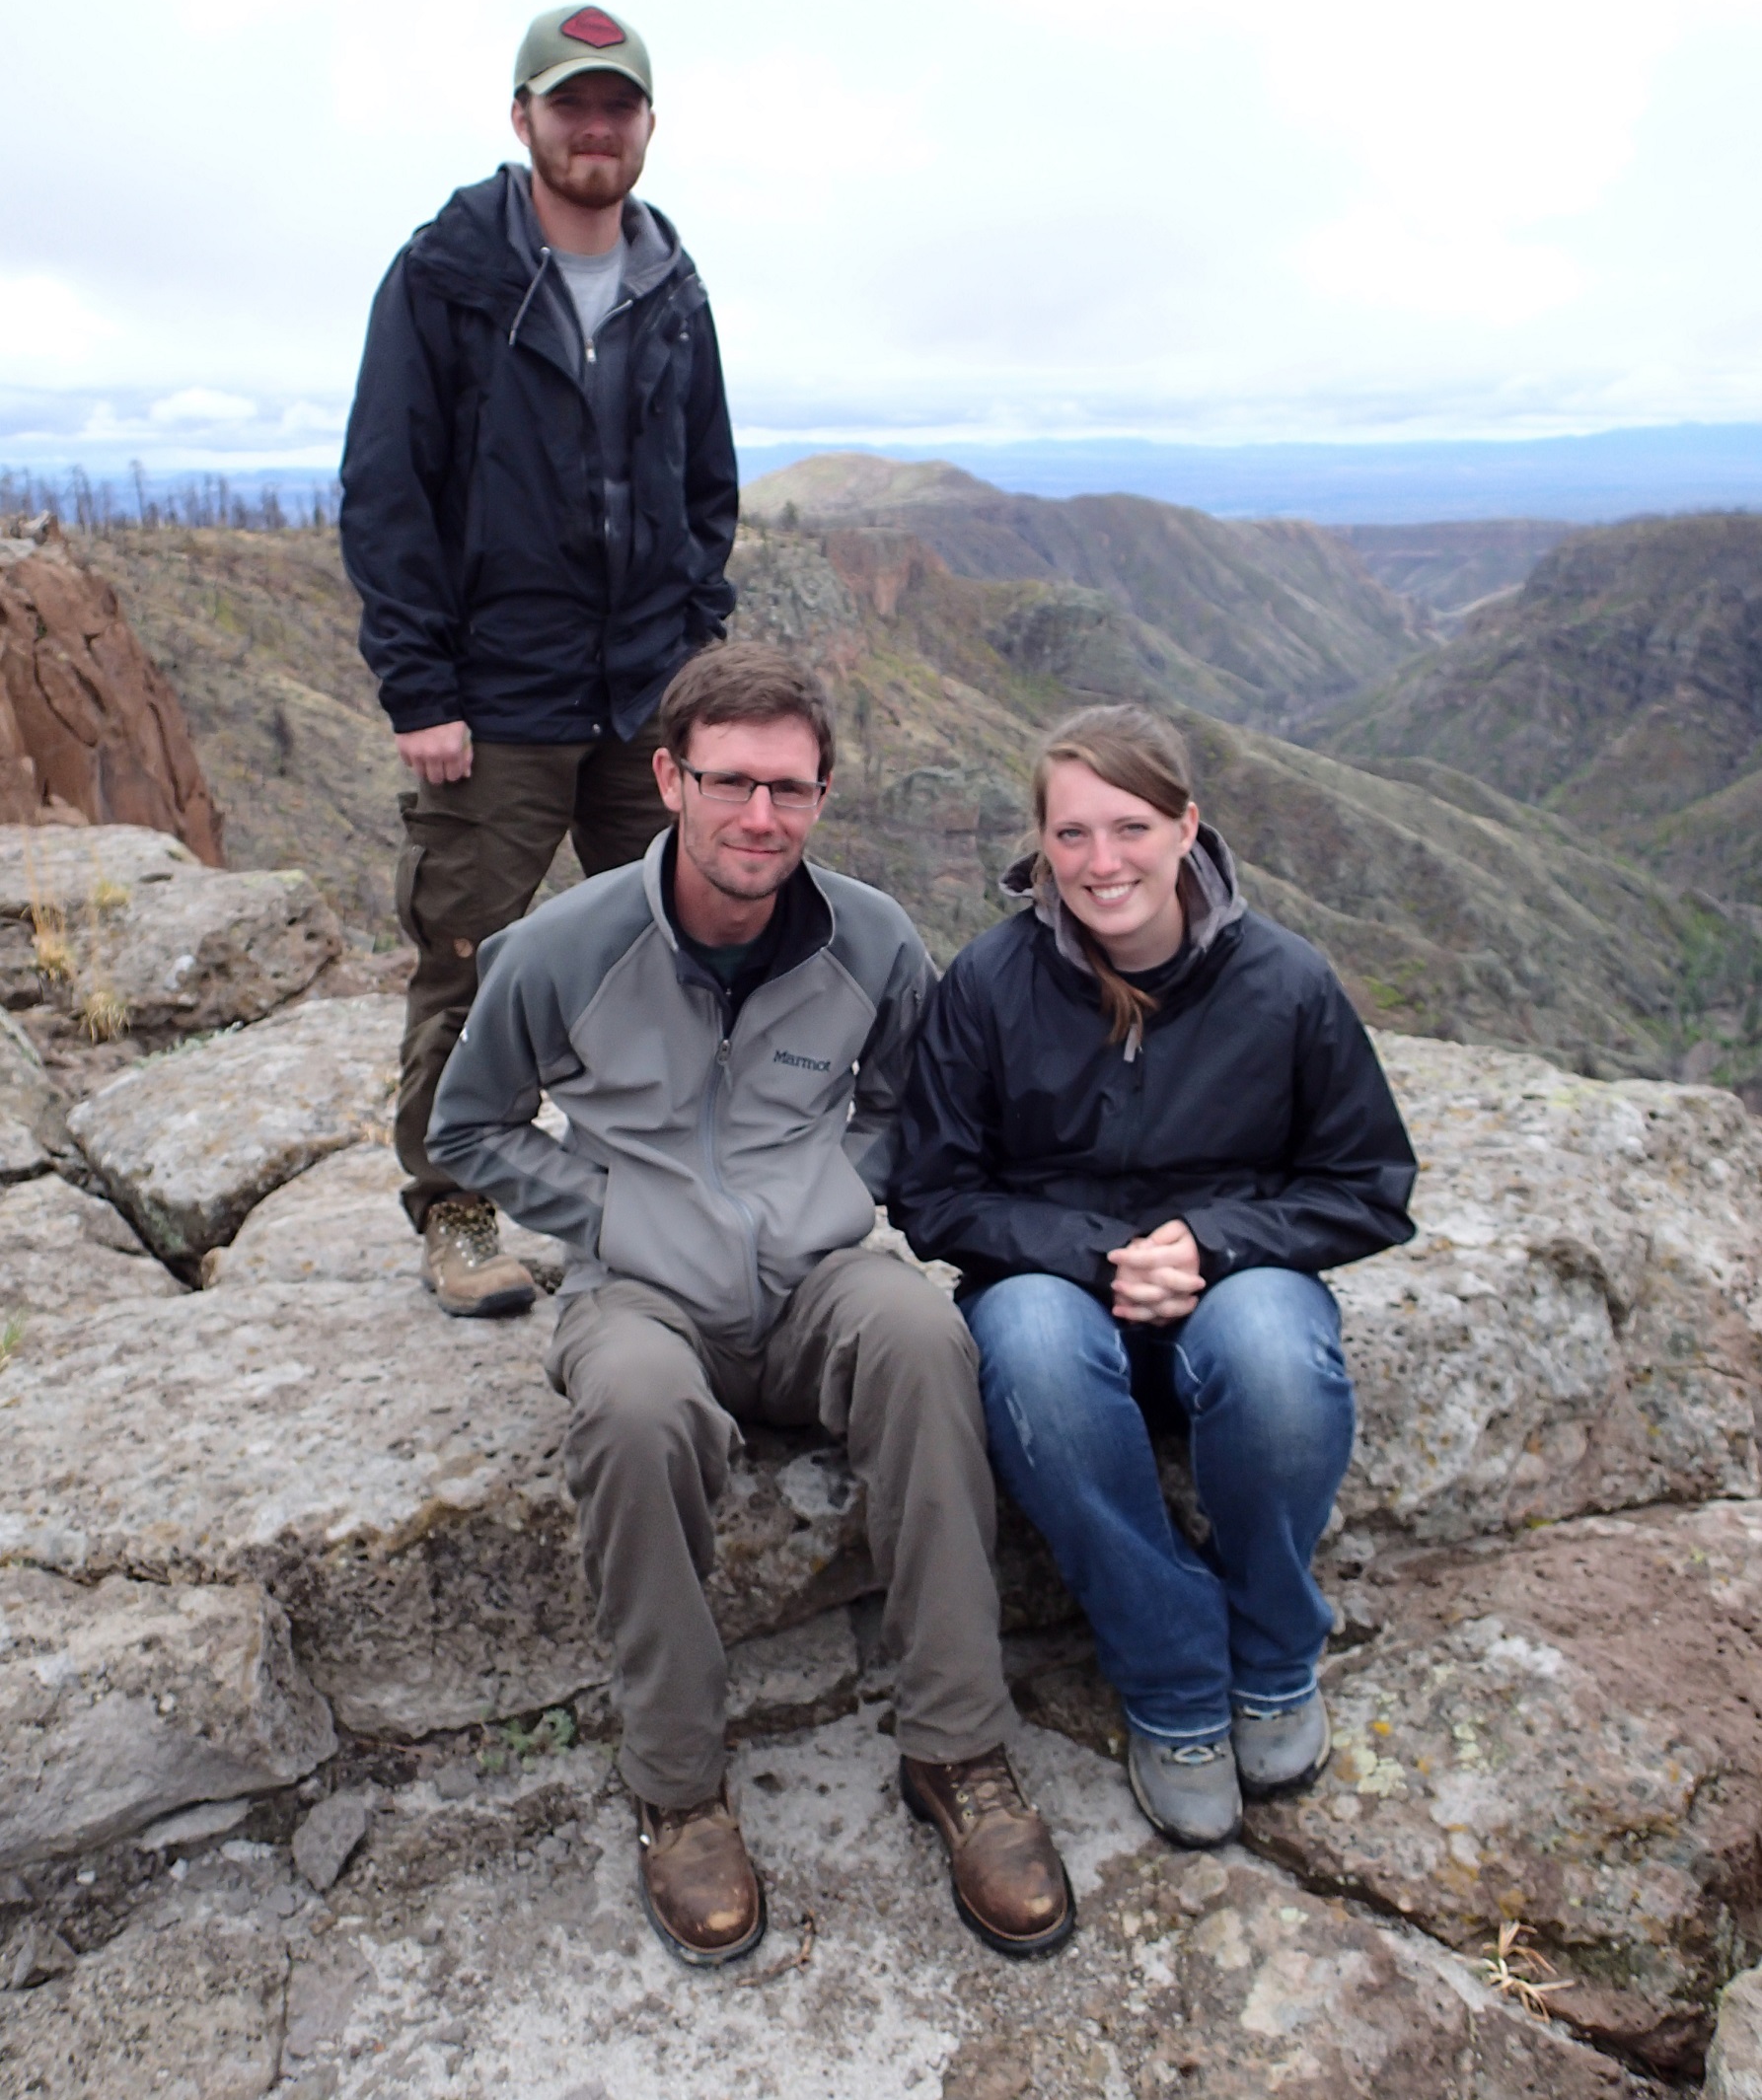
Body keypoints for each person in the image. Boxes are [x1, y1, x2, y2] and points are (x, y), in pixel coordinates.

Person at [427, 647, 1074, 1968]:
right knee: (627, 1405)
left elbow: (910, 1104)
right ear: (670, 779)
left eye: (787, 787)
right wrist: (610, 1214)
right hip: (643, 1289)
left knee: (921, 1336)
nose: (757, 817)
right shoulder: (563, 947)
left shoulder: (873, 939)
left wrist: (838, 1188)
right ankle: (676, 1783)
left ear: (822, 794)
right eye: (729, 782)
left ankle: (958, 1750)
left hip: (815, 1277)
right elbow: (468, 1127)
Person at [889, 704, 1416, 1849]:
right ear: (1039, 844)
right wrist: (1093, 1253)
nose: (1100, 861)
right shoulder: (987, 983)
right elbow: (932, 1190)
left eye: (1128, 826)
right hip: (1051, 1288)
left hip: (1230, 1287)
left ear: (1188, 828)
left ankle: (1274, 1652)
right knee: (1026, 1343)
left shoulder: (1284, 984)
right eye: (1070, 834)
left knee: (1273, 1345)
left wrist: (1213, 1245)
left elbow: (1368, 1182)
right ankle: (1176, 1684)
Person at [339, 2, 738, 1319]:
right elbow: (387, 490)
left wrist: (694, 650)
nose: (593, 126)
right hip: (493, 705)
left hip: (645, 700)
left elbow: (704, 488)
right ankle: (457, 1212)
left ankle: (650, 1203)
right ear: (523, 120)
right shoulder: (444, 275)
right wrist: (422, 689)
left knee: (663, 954)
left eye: (615, 105)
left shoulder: (671, 282)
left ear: (644, 128)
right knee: (471, 959)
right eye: (569, 103)